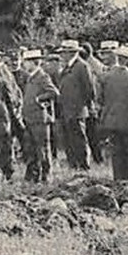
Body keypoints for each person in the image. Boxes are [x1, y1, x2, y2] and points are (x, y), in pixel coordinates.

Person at [97, 44, 128, 183]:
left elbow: (99, 99)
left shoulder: (104, 78)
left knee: (117, 157)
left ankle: (119, 185)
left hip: (112, 124)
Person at [17, 48, 60, 183]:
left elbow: (54, 93)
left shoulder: (42, 76)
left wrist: (39, 99)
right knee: (30, 149)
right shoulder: (31, 77)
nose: (24, 64)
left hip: (40, 119)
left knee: (42, 148)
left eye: (26, 62)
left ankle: (46, 176)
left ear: (33, 62)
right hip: (30, 118)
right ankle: (33, 176)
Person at [54, 39, 97, 170]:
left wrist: (86, 105)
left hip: (77, 110)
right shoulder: (67, 67)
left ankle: (83, 166)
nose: (62, 55)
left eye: (64, 52)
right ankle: (73, 166)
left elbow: (89, 89)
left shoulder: (82, 66)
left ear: (71, 52)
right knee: (68, 141)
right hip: (66, 109)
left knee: (79, 140)